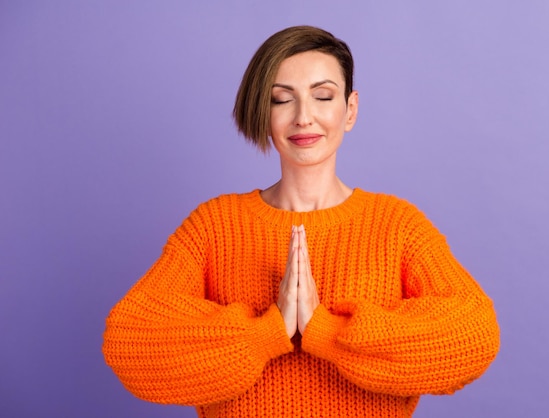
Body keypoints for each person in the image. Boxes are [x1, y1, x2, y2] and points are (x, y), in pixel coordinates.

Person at [102, 25, 500, 417]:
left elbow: (474, 336)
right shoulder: (214, 226)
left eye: (323, 96)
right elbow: (131, 342)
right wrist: (266, 332)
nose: (304, 117)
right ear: (263, 112)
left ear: (350, 109)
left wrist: (325, 331)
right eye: (281, 99)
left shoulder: (397, 225)